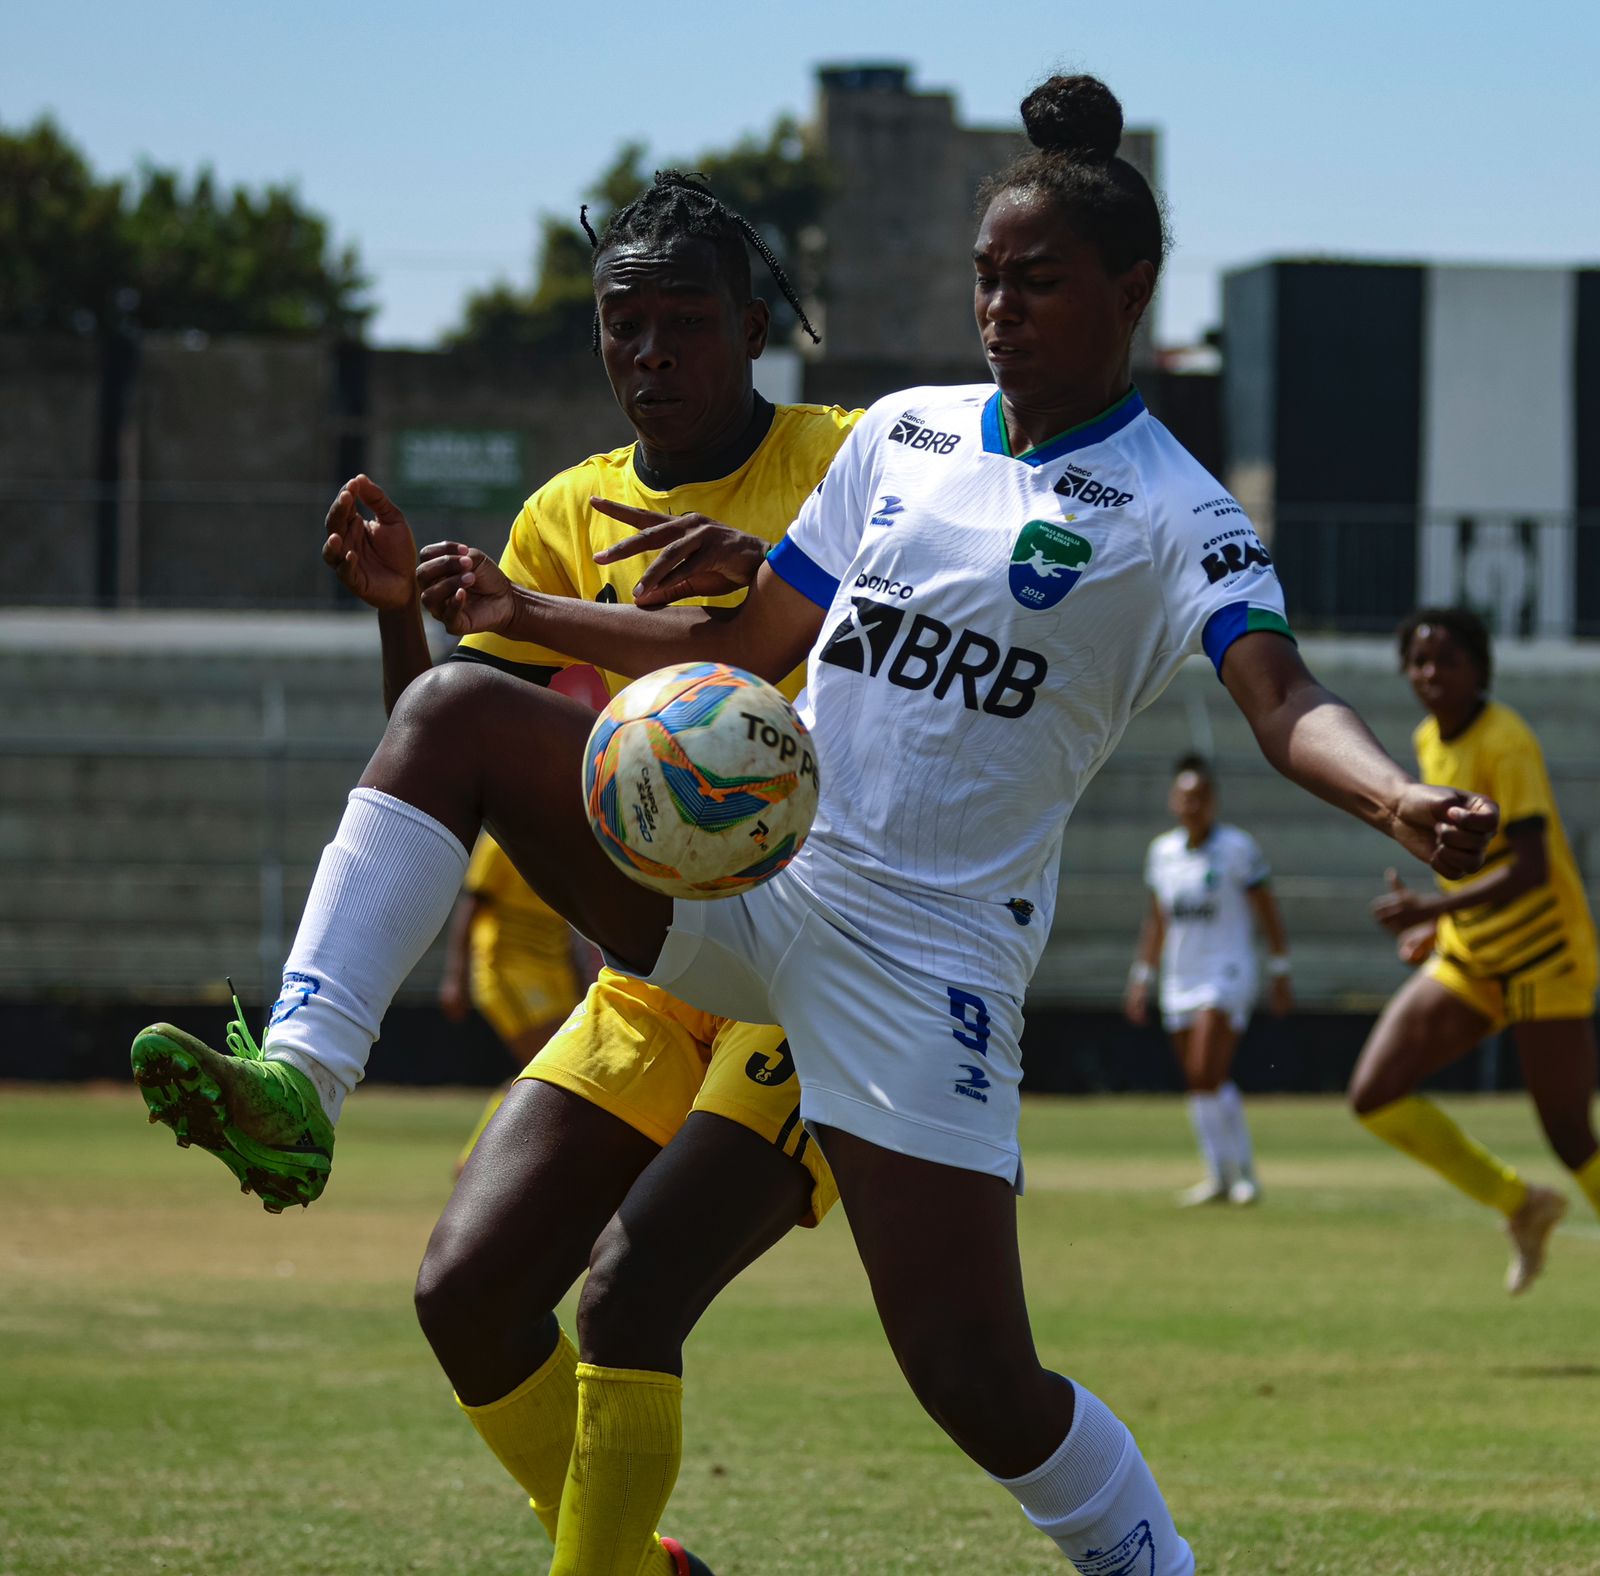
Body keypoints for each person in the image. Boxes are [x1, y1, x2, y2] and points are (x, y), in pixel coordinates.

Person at [134, 77, 1496, 1574]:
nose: (1001, 309)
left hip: (922, 964)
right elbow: (753, 641)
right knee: (455, 713)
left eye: (1037, 282)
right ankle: (302, 1081)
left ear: (1133, 292)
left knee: (975, 1381)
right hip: (754, 890)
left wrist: (1398, 796)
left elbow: (1281, 693)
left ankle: (1147, 1562)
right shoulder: (904, 438)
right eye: (986, 279)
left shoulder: (1179, 512)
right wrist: (518, 616)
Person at [135, 172, 860, 1576]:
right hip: (664, 973)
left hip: (828, 966)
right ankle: (641, 1568)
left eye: (684, 323)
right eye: (622, 325)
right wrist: (405, 622)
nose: (649, 354)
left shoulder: (854, 461)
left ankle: (307, 1080)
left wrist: (769, 576)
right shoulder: (563, 513)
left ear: (756, 324)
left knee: (631, 1300)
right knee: (467, 1295)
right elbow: (445, 748)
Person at [1348, 607, 1599, 1295]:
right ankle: (1525, 1205)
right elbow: (1468, 860)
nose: (1430, 673)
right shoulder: (1429, 737)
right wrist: (1441, 928)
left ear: (1479, 669)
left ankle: (1537, 1198)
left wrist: (1434, 908)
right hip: (1474, 952)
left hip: (1545, 953)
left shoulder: (1504, 739)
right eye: (1419, 660)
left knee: (1571, 1133)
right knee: (1376, 1094)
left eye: (1447, 660)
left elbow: (1531, 867)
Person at [1126, 754, 1293, 1206]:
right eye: (1183, 797)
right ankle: (1219, 1175)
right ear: (1172, 801)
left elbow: (1267, 910)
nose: (1191, 805)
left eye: (1199, 797)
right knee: (1198, 1081)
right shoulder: (1162, 853)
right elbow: (1157, 920)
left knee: (1206, 1070)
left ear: (1213, 801)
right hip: (1180, 975)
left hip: (1226, 972)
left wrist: (1280, 969)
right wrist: (1142, 975)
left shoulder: (1238, 849)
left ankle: (1245, 1175)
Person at [439, 830, 600, 1174]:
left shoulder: (569, 846)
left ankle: (479, 1159)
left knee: (554, 1070)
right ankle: (478, 1159)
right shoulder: (501, 843)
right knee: (548, 1067)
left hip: (553, 973)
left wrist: (579, 983)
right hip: (508, 970)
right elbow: (471, 906)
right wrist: (456, 976)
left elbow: (570, 924)